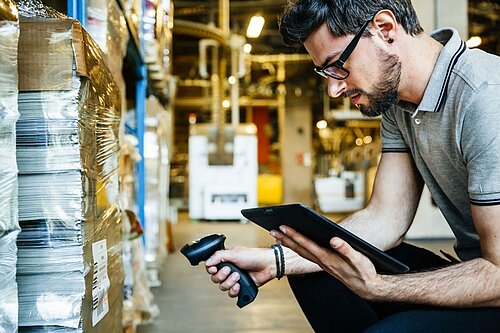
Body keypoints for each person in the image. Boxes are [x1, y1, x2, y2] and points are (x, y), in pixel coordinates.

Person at [204, 0, 500, 331]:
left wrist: (380, 288)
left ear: (385, 29)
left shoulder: (485, 99)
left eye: (338, 65)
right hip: (481, 273)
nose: (333, 89)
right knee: (319, 272)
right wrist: (277, 260)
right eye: (326, 72)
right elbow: (386, 218)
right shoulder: (396, 102)